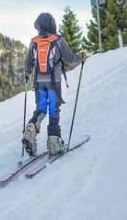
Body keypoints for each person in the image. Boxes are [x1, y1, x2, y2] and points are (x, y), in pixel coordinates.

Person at [22, 12, 85, 156]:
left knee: (41, 108)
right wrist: (81, 58)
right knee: (54, 109)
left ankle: (31, 128)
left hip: (39, 82)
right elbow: (70, 59)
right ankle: (54, 142)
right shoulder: (58, 40)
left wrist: (26, 73)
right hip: (54, 82)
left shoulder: (34, 42)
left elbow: (28, 64)